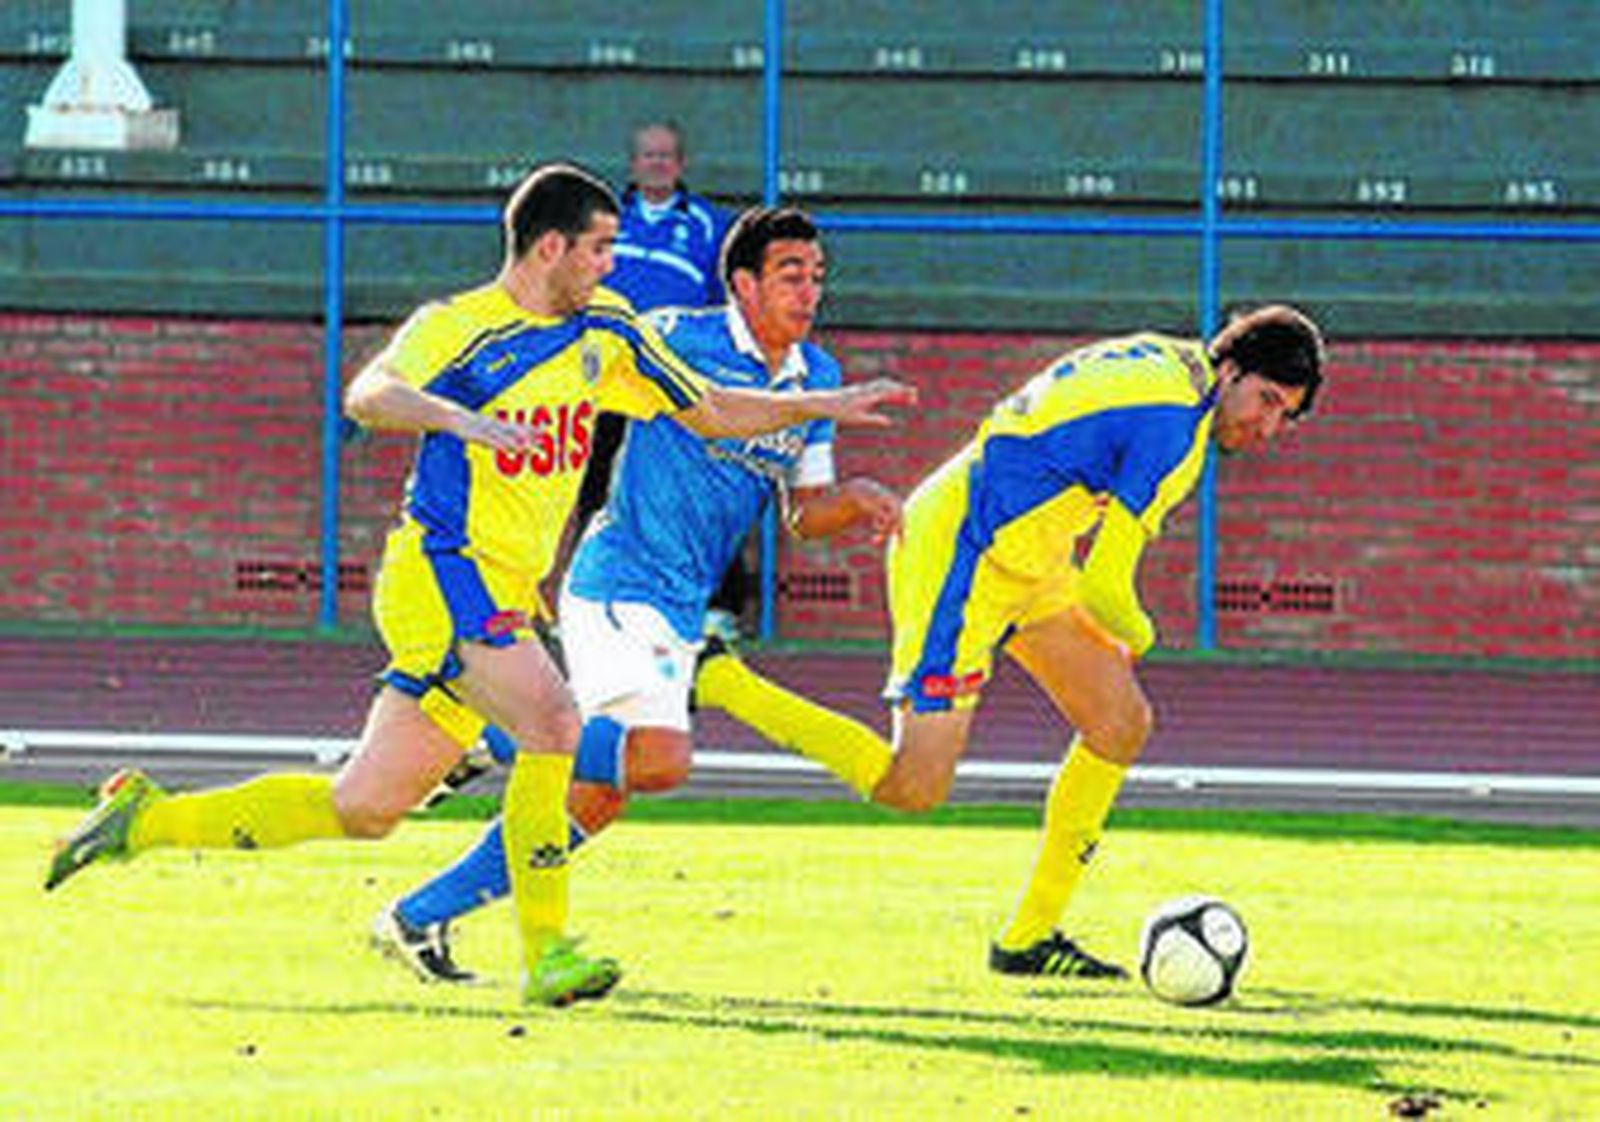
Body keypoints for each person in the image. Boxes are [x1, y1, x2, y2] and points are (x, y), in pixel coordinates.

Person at [43, 164, 913, 1008]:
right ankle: (549, 954)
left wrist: (818, 408)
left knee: (367, 807)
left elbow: (714, 409)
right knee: (555, 725)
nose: (613, 266)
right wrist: (459, 418)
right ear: (548, 249)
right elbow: (370, 394)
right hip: (441, 574)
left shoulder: (606, 329)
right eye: (600, 248)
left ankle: (144, 821)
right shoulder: (456, 325)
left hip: (503, 588)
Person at [373, 206, 904, 984]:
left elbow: (805, 510)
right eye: (792, 274)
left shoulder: (815, 376)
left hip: (680, 601)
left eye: (819, 277)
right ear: (743, 283)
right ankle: (495, 737)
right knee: (658, 761)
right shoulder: (668, 336)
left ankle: (417, 917)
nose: (809, 291)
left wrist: (856, 498)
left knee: (597, 798)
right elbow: (577, 373)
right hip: (620, 579)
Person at [854, 305, 1328, 979]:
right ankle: (727, 683)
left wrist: (1116, 638)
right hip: (963, 546)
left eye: (1286, 416)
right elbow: (1107, 587)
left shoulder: (1169, 363)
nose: (1268, 426)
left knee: (1119, 721)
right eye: (1267, 400)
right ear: (1231, 369)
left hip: (1030, 558)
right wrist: (1141, 634)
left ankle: (1027, 939)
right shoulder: (1177, 428)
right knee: (915, 785)